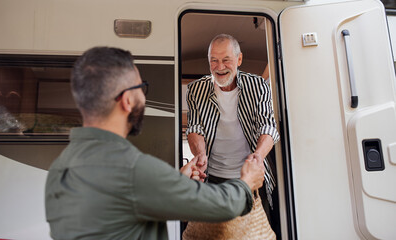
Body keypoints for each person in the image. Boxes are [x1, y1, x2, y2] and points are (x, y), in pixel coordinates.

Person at [45, 46, 266, 240]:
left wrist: (177, 180)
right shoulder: (132, 169)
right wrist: (247, 182)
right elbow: (222, 206)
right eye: (141, 87)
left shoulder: (59, 168)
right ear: (127, 100)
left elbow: (123, 206)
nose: (143, 96)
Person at [185, 34, 280, 228]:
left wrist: (258, 156)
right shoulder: (196, 89)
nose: (220, 67)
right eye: (214, 61)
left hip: (249, 175)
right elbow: (195, 128)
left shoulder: (258, 86)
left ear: (239, 59)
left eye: (226, 60)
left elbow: (267, 126)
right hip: (213, 177)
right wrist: (200, 154)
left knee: (255, 231)